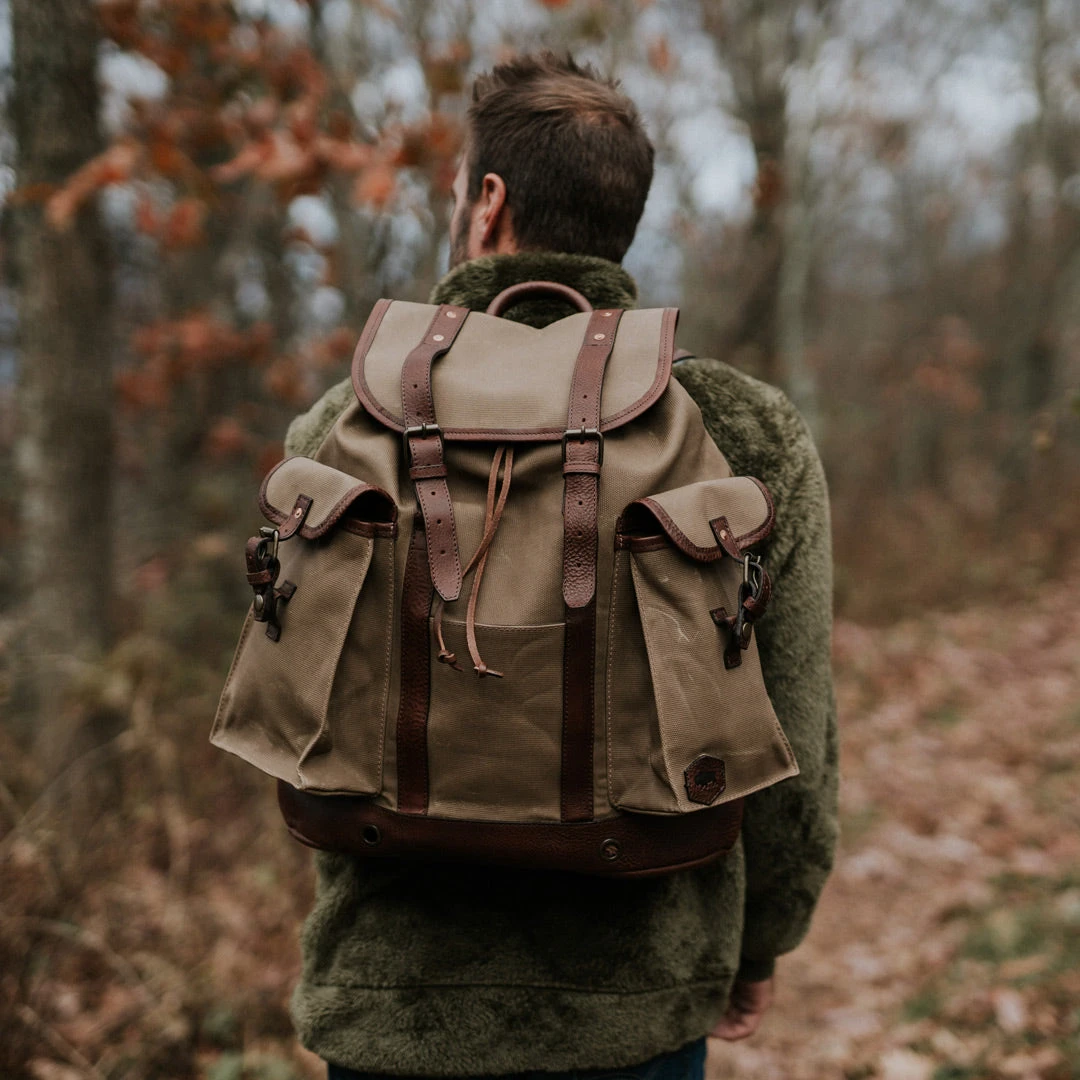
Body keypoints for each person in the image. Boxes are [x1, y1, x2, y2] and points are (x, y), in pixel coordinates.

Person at [283, 52, 838, 1080]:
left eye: (458, 187)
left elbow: (299, 715)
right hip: (638, 995)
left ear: (486, 204)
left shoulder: (344, 422)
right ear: (618, 222)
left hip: (395, 1001)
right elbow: (795, 738)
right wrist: (762, 942)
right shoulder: (744, 429)